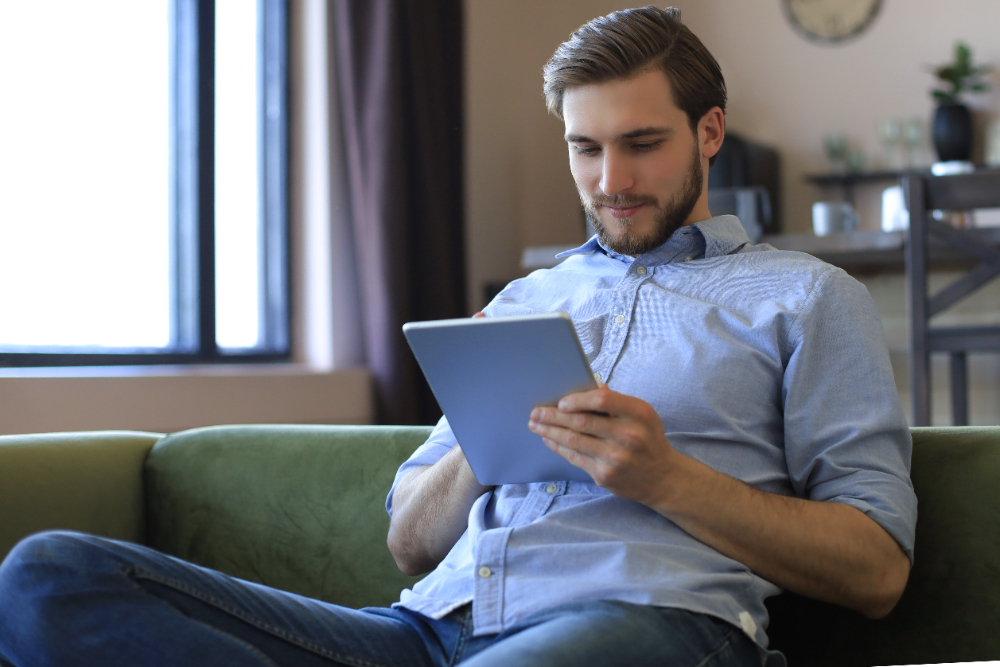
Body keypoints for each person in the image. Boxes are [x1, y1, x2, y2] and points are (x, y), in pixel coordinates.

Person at [0, 7, 915, 667]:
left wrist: (664, 477)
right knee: (50, 575)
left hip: (650, 618)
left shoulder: (805, 298)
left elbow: (875, 569)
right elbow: (409, 543)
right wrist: (488, 433)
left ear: (708, 131)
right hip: (427, 630)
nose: (611, 179)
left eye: (642, 143)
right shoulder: (523, 300)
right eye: (584, 148)